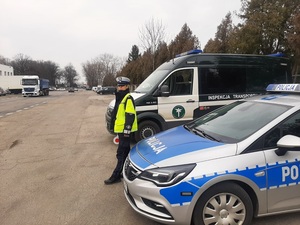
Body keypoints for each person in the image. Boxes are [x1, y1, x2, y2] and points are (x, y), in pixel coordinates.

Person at [104, 76, 138, 185]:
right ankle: (125, 172)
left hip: (125, 131)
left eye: (122, 86)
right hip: (121, 130)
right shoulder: (120, 97)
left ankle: (116, 175)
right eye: (119, 85)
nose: (120, 87)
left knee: (121, 153)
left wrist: (127, 130)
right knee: (126, 152)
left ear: (127, 86)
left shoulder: (128, 98)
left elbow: (130, 115)